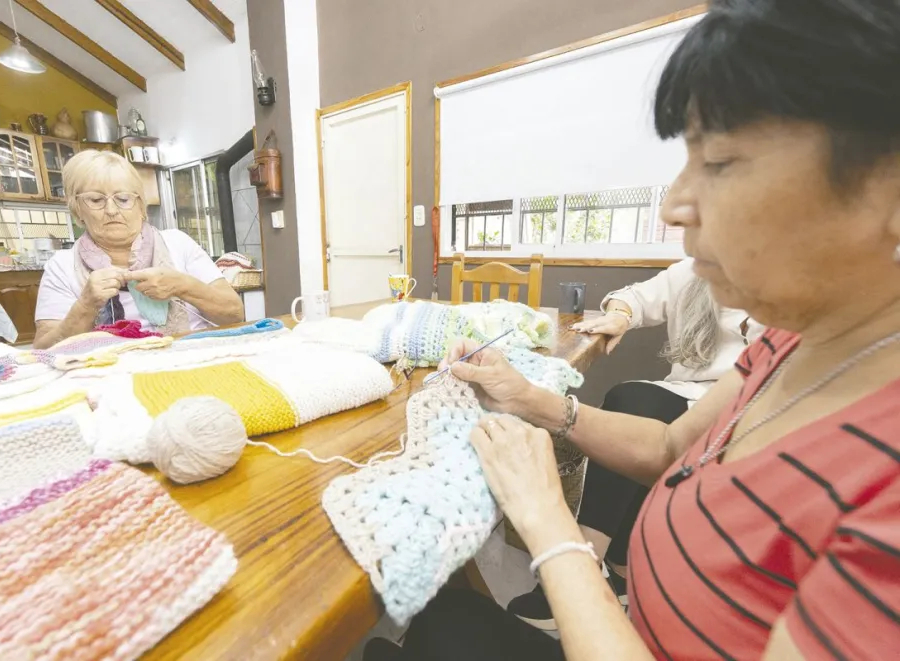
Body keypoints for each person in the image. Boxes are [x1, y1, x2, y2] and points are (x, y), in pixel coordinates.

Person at [365, 0, 900, 658]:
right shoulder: (789, 342)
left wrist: (548, 522)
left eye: (721, 162)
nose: (673, 205)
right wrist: (529, 397)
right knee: (435, 618)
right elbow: (669, 443)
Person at [508, 259, 762, 628]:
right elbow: (635, 297)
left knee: (634, 404)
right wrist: (621, 315)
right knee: (635, 408)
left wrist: (539, 407)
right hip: (686, 390)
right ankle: (620, 569)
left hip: (751, 406)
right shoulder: (696, 268)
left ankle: (584, 566)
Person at [34, 150, 244, 348]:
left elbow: (235, 314)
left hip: (191, 356)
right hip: (112, 368)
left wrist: (183, 286)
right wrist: (85, 306)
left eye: (123, 199)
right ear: (78, 209)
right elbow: (43, 349)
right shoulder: (62, 266)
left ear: (141, 206)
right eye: (96, 200)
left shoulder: (178, 244)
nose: (111, 210)